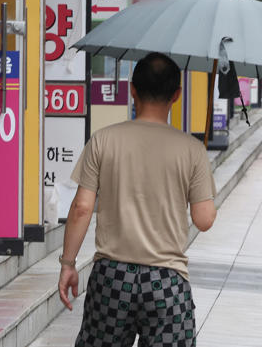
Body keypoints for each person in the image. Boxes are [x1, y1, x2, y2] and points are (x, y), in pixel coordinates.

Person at [58, 52, 217, 347]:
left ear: (133, 90)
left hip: (111, 277)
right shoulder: (192, 150)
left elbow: (81, 208)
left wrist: (68, 264)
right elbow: (203, 220)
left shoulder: (103, 140)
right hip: (167, 282)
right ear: (177, 95)